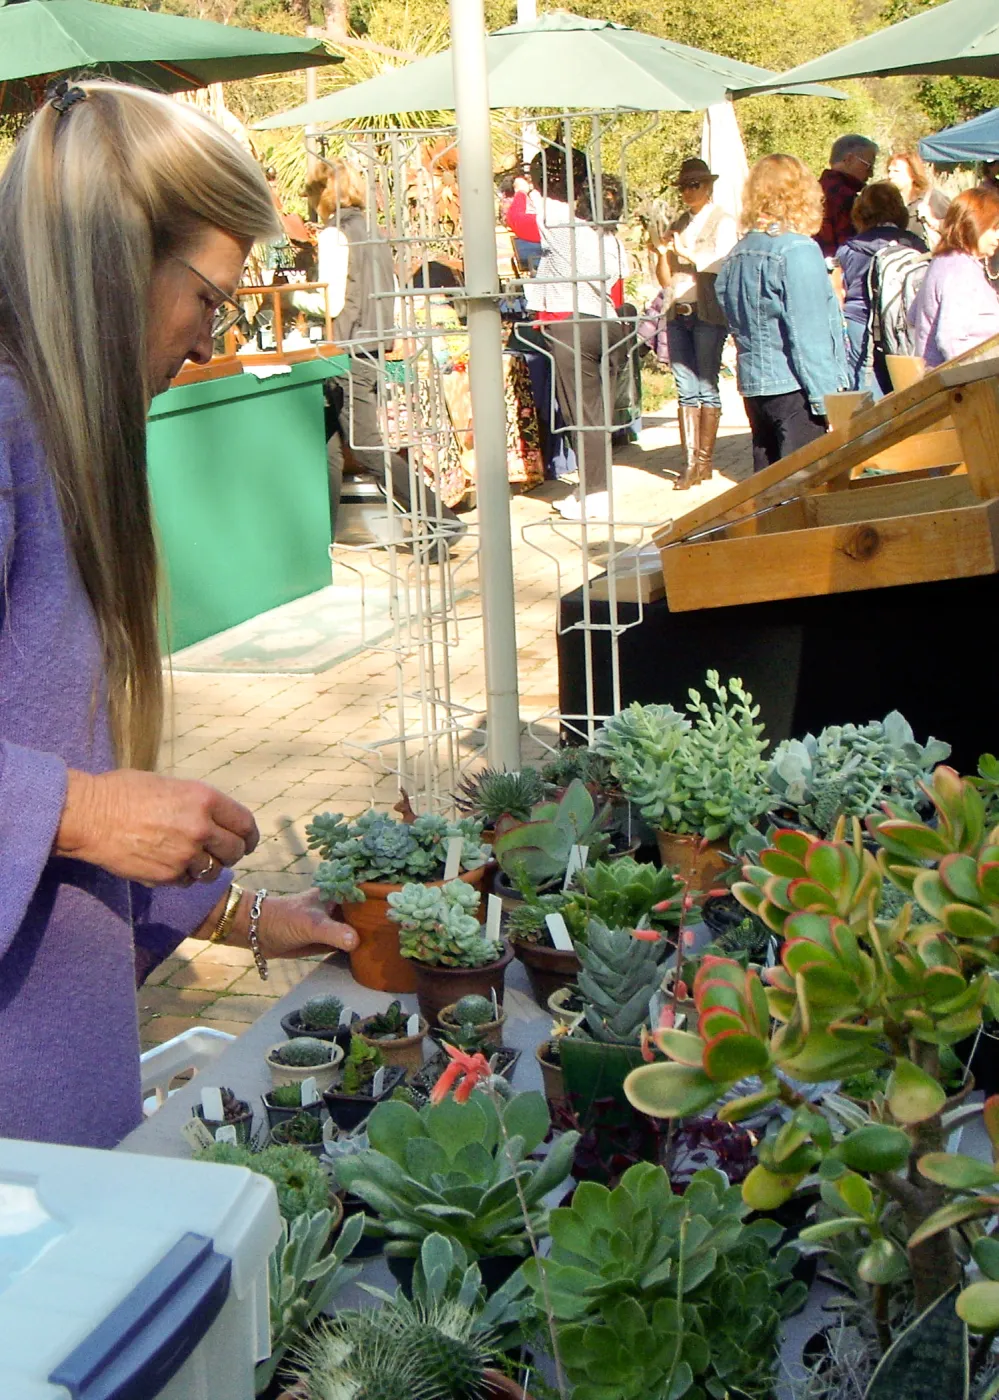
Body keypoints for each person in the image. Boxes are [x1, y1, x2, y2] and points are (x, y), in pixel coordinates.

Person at [0, 81, 359, 1150]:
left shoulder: (53, 430)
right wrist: (81, 810)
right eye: (210, 296)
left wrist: (244, 914)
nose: (210, 341)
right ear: (119, 258)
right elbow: (70, 797)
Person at [310, 159, 463, 538]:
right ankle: (322, 537)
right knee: (326, 446)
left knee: (365, 448)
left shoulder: (335, 234)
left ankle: (440, 520)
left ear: (324, 194)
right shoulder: (373, 232)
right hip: (372, 346)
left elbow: (329, 302)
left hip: (346, 349)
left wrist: (289, 299)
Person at [506, 145, 630, 522]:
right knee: (597, 411)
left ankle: (594, 494)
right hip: (608, 322)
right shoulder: (609, 235)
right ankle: (592, 487)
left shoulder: (560, 220)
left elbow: (517, 220)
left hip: (570, 322)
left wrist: (523, 190)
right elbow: (618, 289)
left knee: (580, 412)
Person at [716, 154, 848, 473]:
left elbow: (725, 304)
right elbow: (810, 338)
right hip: (795, 389)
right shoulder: (796, 249)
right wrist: (829, 403)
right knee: (805, 495)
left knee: (770, 494)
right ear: (802, 193)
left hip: (756, 388)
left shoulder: (739, 252)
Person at [653, 157, 738, 490]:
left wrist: (686, 253)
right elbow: (664, 279)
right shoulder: (678, 223)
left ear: (708, 187)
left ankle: (704, 462)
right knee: (685, 388)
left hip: (707, 311)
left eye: (695, 185)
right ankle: (691, 464)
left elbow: (721, 263)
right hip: (679, 310)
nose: (689, 192)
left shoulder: (723, 221)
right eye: (684, 186)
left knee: (706, 384)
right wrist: (663, 252)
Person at [833, 181, 927, 393]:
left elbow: (839, 289)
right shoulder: (915, 245)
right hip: (902, 324)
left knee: (865, 394)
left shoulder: (848, 249)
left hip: (859, 324)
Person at [908, 186, 999, 367]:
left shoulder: (943, 261)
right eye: (994, 228)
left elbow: (913, 315)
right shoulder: (961, 269)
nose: (998, 237)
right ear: (974, 224)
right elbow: (951, 340)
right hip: (961, 387)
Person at [816, 134, 879, 259]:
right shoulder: (844, 197)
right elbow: (851, 248)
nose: (871, 174)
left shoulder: (813, 190)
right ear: (849, 159)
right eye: (868, 166)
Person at [886, 150, 950, 249]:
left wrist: (933, 221)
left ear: (913, 175)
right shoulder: (887, 202)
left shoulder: (933, 198)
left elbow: (957, 229)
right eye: (889, 171)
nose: (890, 176)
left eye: (896, 171)